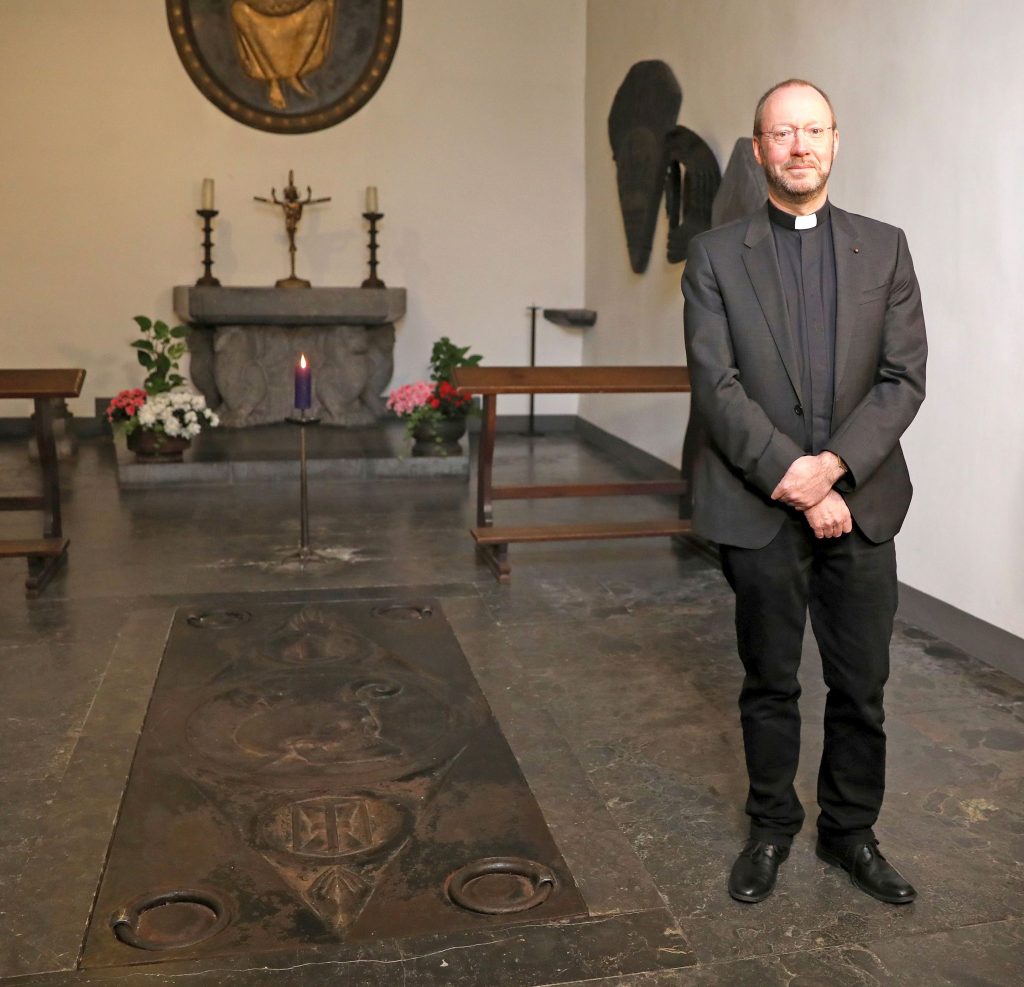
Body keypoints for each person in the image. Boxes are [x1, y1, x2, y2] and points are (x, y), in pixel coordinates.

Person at [682, 79, 927, 905]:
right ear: (759, 152)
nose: (798, 146)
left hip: (862, 502)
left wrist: (833, 472)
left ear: (834, 142)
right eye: (781, 133)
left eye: (812, 130)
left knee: (862, 686)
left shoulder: (885, 247)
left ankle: (850, 832)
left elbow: (902, 379)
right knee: (770, 681)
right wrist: (795, 477)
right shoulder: (716, 257)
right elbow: (717, 388)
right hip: (758, 508)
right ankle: (769, 828)